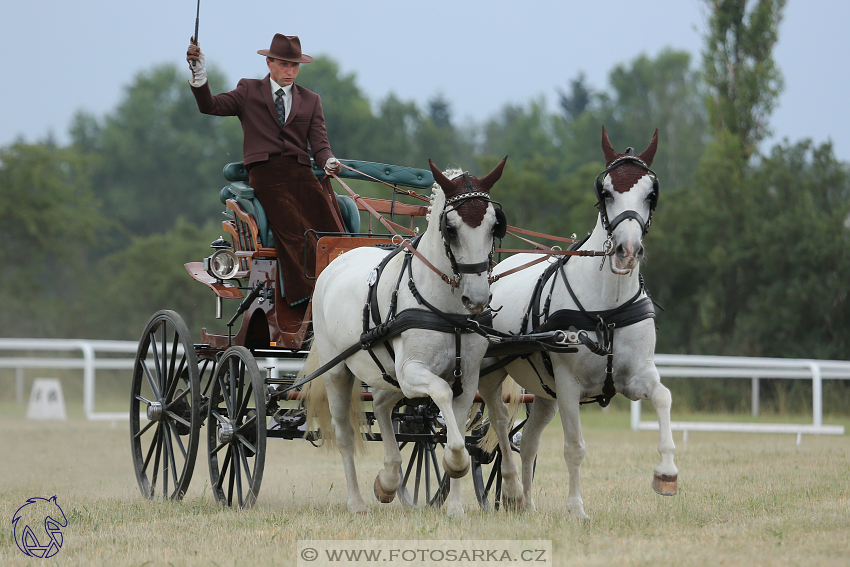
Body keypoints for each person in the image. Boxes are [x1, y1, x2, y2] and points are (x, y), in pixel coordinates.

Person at [186, 33, 344, 307]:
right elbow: (210, 105)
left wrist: (328, 160)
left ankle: (341, 289)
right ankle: (307, 297)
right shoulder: (248, 90)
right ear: (269, 63)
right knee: (294, 228)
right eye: (284, 64)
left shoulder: (311, 99)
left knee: (330, 228)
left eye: (295, 66)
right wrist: (199, 73)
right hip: (266, 173)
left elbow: (320, 145)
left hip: (301, 173)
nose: (290, 71)